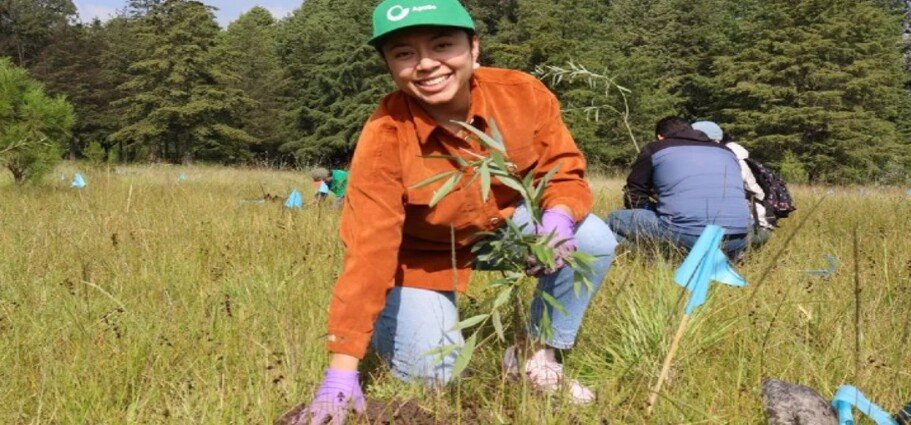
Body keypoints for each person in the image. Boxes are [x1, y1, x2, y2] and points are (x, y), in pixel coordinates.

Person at [289, 1, 618, 423]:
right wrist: (340, 370)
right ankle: (400, 319)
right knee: (432, 379)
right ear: (390, 66)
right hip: (421, 260)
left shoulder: (522, 94)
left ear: (474, 48)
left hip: (502, 231)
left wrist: (556, 218)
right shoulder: (385, 134)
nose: (426, 64)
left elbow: (563, 171)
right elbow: (369, 250)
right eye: (404, 53)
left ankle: (535, 355)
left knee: (593, 238)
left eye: (442, 45)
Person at [606, 116, 751, 260]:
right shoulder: (726, 151)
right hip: (738, 238)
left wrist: (651, 208)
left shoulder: (655, 149)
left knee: (613, 220)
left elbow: (634, 195)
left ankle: (658, 259)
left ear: (660, 137)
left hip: (687, 235)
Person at [690, 121, 773, 247]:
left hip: (745, 229)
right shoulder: (735, 156)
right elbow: (757, 192)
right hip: (748, 226)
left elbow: (755, 193)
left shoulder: (732, 159)